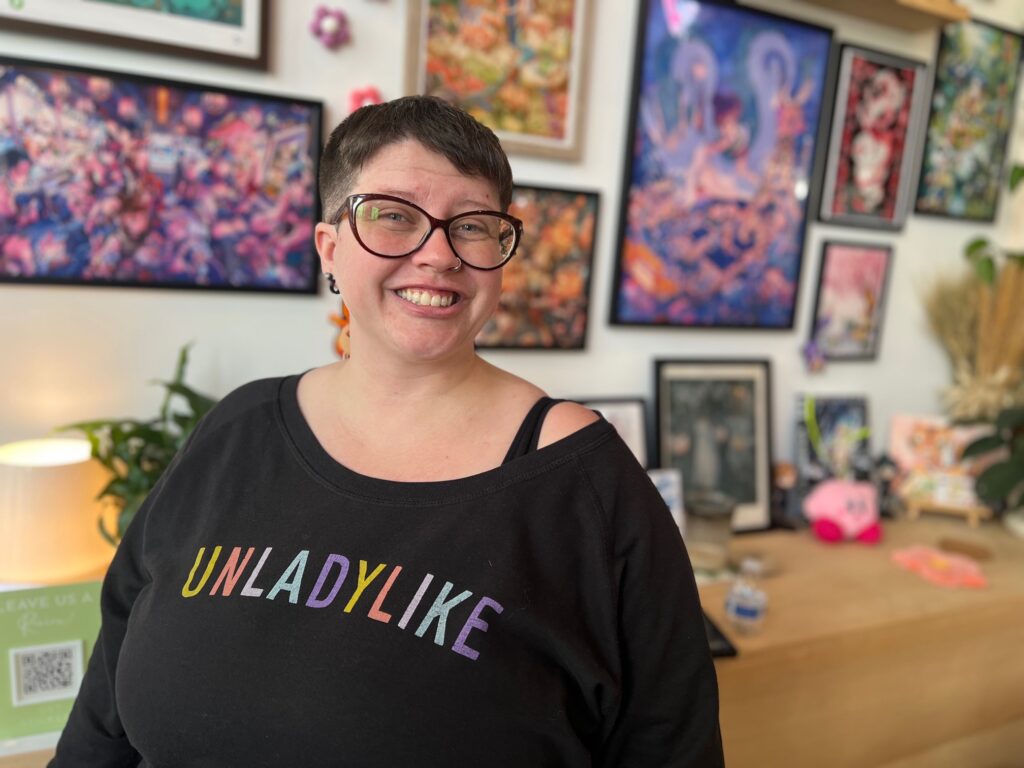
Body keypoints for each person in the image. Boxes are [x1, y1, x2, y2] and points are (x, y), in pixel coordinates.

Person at [50, 95, 723, 767]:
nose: (438, 254)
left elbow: (673, 746)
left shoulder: (588, 486)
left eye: (472, 226)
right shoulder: (236, 430)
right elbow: (101, 722)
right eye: (394, 216)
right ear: (330, 249)